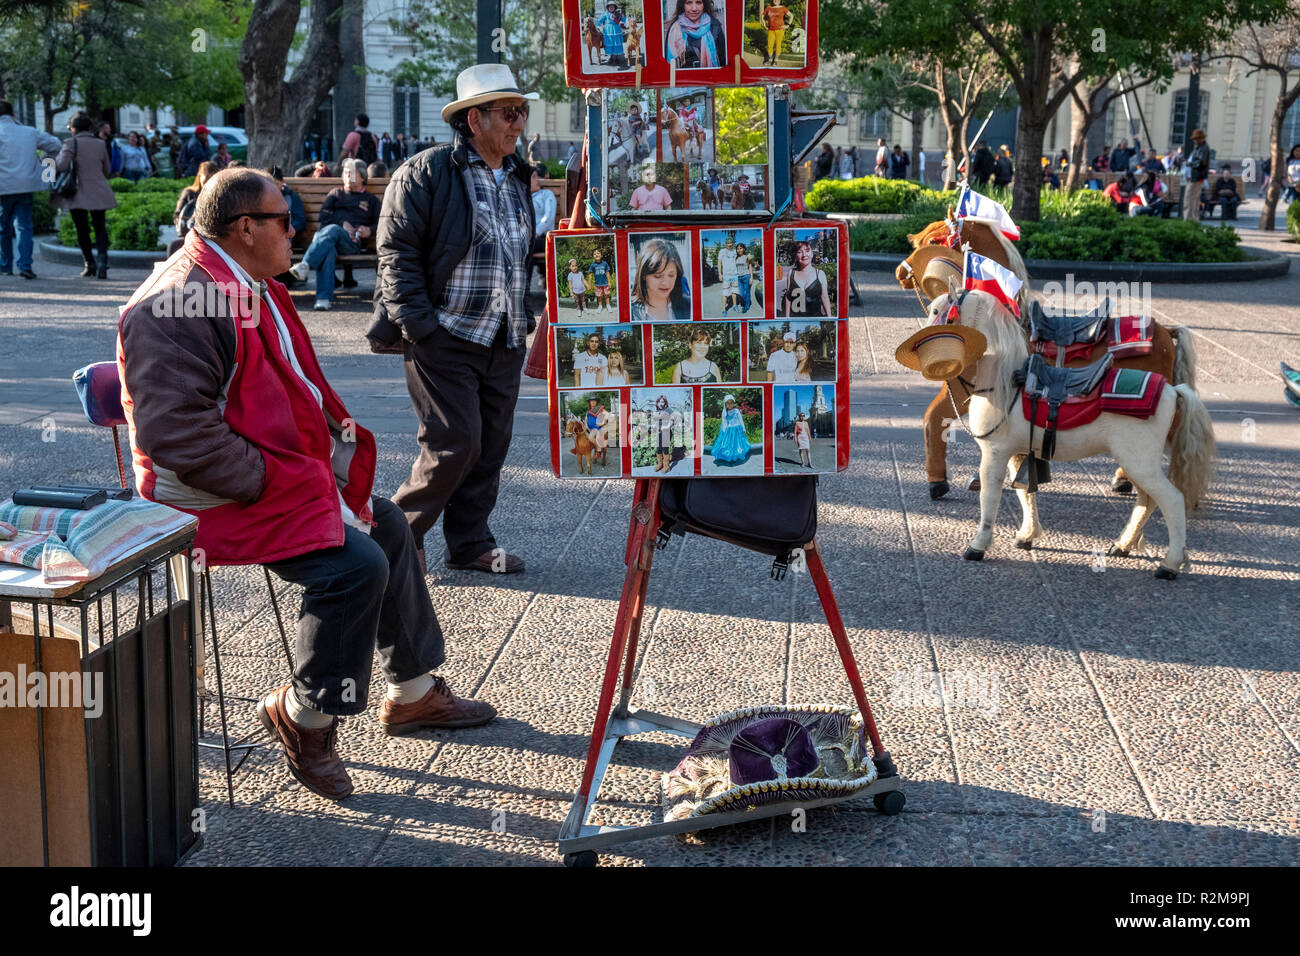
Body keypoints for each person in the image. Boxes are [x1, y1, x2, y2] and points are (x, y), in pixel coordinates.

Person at [118, 167, 494, 802]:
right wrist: (286, 483)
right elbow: (178, 439)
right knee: (354, 565)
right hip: (208, 499)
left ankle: (412, 693)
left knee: (390, 524)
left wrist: (318, 474)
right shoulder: (177, 302)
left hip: (268, 473)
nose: (298, 228)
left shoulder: (237, 279)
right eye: (284, 220)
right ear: (245, 229)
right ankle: (303, 717)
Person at [370, 63, 537, 576]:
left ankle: (469, 544)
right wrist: (421, 327)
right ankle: (388, 542)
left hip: (504, 335)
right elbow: (395, 254)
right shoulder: (426, 172)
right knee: (454, 442)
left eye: (521, 112)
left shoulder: (517, 175)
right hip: (446, 333)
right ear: (473, 120)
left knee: (489, 449)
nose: (518, 123)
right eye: (508, 113)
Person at [288, 158, 380, 310]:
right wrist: (342, 223)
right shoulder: (336, 194)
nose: (347, 176)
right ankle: (323, 299)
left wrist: (369, 230)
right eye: (345, 173)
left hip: (352, 243)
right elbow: (324, 217)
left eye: (351, 173)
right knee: (328, 247)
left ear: (363, 176)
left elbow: (382, 223)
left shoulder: (371, 200)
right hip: (330, 241)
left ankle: (305, 265)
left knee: (330, 231)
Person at [0, 100, 60, 280]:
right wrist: (43, 162)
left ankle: (5, 266)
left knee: (3, 228)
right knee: (24, 226)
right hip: (26, 185)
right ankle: (25, 265)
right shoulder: (30, 132)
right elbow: (56, 145)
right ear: (13, 114)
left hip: (2, 187)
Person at [53, 113, 116, 279]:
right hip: (98, 189)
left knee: (82, 229)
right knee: (100, 227)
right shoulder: (100, 143)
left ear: (73, 128)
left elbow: (62, 165)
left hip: (77, 191)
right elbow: (106, 169)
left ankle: (90, 263)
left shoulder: (70, 142)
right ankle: (103, 261)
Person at [630, 237, 690, 321]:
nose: (665, 283)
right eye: (658, 276)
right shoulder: (630, 312)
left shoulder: (690, 306)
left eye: (671, 275)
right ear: (643, 275)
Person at [664, 0, 725, 69]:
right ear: (682, 5)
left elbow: (723, 60)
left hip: (711, 77)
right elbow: (668, 66)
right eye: (689, 3)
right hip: (684, 79)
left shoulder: (714, 26)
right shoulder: (674, 29)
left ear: (704, 5)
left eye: (698, 2)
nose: (694, 8)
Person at [173, 161, 217, 251]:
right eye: (206, 178)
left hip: (211, 241)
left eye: (211, 179)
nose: (208, 182)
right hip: (189, 237)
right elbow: (177, 215)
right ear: (199, 176)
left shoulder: (218, 196)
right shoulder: (189, 193)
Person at [780, 240, 829, 317]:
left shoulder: (820, 274)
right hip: (796, 320)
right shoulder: (791, 273)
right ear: (796, 256)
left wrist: (829, 317)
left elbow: (824, 297)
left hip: (815, 320)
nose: (804, 255)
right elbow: (788, 296)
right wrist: (787, 318)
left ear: (812, 254)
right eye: (799, 252)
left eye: (807, 251)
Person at [529, 162, 556, 290]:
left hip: (542, 236)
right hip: (528, 237)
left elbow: (549, 217)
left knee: (525, 246)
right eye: (534, 177)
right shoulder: (523, 196)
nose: (538, 180)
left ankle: (524, 289)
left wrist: (536, 232)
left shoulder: (546, 194)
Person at [711, 394, 750, 464]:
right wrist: (724, 431)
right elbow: (724, 422)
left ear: (733, 403)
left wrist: (743, 428)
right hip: (729, 431)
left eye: (731, 403)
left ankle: (736, 455)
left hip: (737, 429)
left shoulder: (736, 411)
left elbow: (740, 420)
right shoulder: (725, 412)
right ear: (725, 404)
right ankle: (730, 456)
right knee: (729, 444)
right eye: (728, 403)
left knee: (738, 444)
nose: (730, 405)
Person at [1183, 128, 1210, 221]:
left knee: (1189, 198)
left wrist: (1189, 163)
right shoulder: (1198, 148)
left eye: (1196, 139)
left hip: (1197, 177)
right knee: (1193, 199)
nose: (1195, 141)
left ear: (1201, 139)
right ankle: (1193, 219)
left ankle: (1189, 219)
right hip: (1194, 177)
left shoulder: (1204, 148)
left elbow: (1201, 162)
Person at [596, 2, 628, 68]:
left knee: (616, 43)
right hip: (608, 31)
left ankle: (616, 57)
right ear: (608, 8)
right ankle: (611, 57)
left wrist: (628, 22)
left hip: (616, 30)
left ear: (615, 7)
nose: (611, 8)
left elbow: (625, 20)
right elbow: (600, 21)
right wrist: (596, 23)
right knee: (610, 43)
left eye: (612, 6)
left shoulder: (618, 14)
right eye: (610, 7)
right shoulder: (605, 14)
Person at [652, 394, 678, 472]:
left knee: (665, 449)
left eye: (663, 402)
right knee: (658, 449)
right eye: (659, 402)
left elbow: (672, 420)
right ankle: (660, 464)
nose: (661, 403)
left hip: (666, 432)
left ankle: (666, 466)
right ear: (657, 403)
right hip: (659, 433)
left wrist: (666, 427)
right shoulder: (657, 411)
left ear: (665, 403)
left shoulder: (669, 410)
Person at [718, 234, 739, 314]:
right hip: (726, 276)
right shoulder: (722, 251)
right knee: (725, 293)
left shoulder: (735, 251)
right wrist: (720, 274)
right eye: (728, 243)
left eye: (731, 243)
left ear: (733, 243)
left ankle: (734, 305)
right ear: (726, 244)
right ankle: (724, 309)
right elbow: (719, 263)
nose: (730, 244)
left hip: (735, 275)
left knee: (734, 291)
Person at [589, 246, 614, 313]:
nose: (596, 254)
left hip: (605, 283)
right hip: (597, 284)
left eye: (598, 253)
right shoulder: (593, 265)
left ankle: (608, 305)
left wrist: (609, 282)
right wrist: (589, 284)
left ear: (601, 255)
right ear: (593, 256)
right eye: (594, 254)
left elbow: (607, 273)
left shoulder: (604, 263)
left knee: (606, 295)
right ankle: (600, 306)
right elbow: (590, 275)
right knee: (599, 296)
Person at [585, 398, 610, 465]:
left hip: (596, 428)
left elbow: (607, 414)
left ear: (596, 402)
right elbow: (586, 419)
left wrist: (603, 423)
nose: (593, 402)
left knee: (590, 438)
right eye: (591, 401)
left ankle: (599, 450)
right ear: (589, 403)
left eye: (594, 401)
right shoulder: (588, 411)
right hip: (589, 429)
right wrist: (586, 426)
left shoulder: (600, 409)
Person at [735, 241, 753, 312]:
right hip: (739, 278)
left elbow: (750, 267)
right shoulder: (736, 258)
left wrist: (751, 277)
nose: (739, 250)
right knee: (741, 293)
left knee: (747, 292)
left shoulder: (747, 257)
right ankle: (746, 301)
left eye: (740, 248)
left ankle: (747, 306)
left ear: (744, 249)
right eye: (738, 249)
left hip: (746, 276)